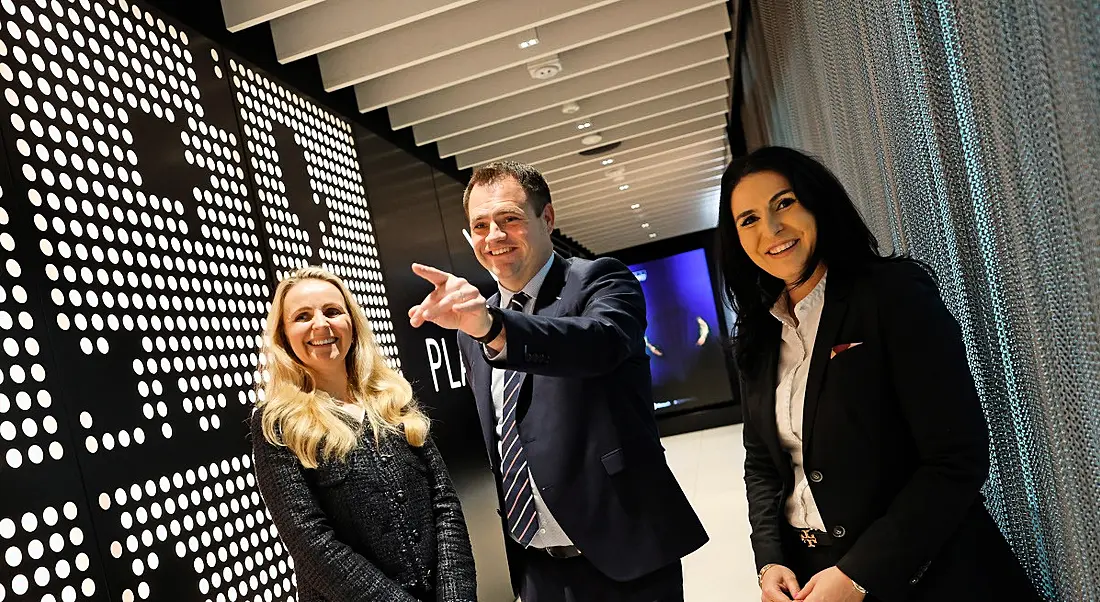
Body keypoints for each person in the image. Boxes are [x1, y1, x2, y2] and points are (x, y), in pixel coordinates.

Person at [716, 146, 1038, 602]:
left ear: (816, 202)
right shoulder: (759, 336)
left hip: (928, 573)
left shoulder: (890, 294)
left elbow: (955, 459)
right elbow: (764, 463)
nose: (771, 229)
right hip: (814, 578)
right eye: (747, 220)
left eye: (784, 203)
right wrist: (771, 560)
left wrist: (859, 573)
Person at [407, 161, 708, 602]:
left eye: (509, 218)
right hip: (534, 567)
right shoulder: (472, 330)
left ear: (546, 218)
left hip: (623, 554)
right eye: (481, 225)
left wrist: (494, 328)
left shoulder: (599, 281)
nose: (494, 236)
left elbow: (598, 344)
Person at [250, 266, 477, 602]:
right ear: (283, 336)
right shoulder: (278, 422)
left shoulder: (393, 400)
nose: (321, 324)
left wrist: (457, 596)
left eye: (332, 311)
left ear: (352, 323)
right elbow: (310, 542)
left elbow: (444, 504)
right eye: (302, 316)